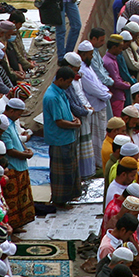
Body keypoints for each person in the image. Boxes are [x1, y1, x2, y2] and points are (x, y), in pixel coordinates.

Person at [44, 66, 82, 207]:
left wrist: (74, 118)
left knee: (70, 169)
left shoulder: (61, 92)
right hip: (59, 139)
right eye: (68, 82)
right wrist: (75, 125)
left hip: (68, 137)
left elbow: (67, 111)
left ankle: (70, 195)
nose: (69, 85)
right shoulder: (52, 96)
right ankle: (60, 201)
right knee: (61, 173)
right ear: (61, 80)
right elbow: (59, 121)